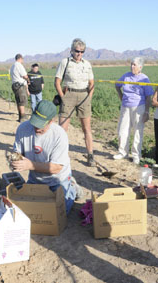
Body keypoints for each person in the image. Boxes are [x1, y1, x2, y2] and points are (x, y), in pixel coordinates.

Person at [11, 100, 76, 214]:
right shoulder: (23, 128)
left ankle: (72, 189)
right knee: (27, 210)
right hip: (35, 180)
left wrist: (30, 165)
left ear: (51, 121)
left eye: (41, 124)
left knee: (58, 213)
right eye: (35, 122)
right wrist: (16, 159)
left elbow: (56, 168)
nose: (36, 127)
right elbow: (18, 152)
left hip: (57, 180)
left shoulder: (59, 135)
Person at [55, 38, 95, 167]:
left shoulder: (87, 64)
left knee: (86, 128)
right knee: (63, 129)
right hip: (69, 94)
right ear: (72, 50)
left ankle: (90, 155)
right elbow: (57, 81)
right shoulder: (65, 62)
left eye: (82, 51)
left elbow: (92, 83)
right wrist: (63, 97)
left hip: (84, 95)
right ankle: (60, 155)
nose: (79, 54)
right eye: (77, 51)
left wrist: (89, 97)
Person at [114, 57, 154, 165]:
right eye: (131, 64)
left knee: (137, 131)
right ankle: (122, 152)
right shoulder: (126, 76)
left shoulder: (144, 79)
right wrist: (121, 96)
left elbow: (148, 96)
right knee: (123, 129)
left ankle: (136, 155)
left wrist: (146, 112)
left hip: (138, 107)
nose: (132, 66)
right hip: (125, 107)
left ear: (140, 67)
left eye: (134, 65)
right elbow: (117, 85)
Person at [10, 54, 30, 122]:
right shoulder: (19, 65)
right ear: (20, 58)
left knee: (19, 101)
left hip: (15, 85)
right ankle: (23, 117)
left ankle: (20, 117)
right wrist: (28, 79)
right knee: (22, 101)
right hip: (20, 86)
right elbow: (24, 75)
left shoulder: (13, 66)